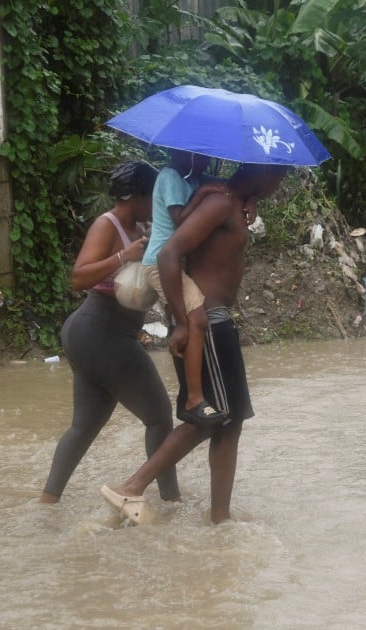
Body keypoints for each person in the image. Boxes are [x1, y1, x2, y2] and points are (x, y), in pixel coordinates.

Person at [100, 162, 290, 525]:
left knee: (226, 422)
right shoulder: (220, 203)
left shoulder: (226, 199)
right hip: (209, 324)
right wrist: (184, 322)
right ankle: (133, 487)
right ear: (263, 173)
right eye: (279, 178)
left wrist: (249, 200)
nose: (279, 186)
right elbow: (169, 254)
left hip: (214, 325)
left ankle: (219, 517)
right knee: (208, 421)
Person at [39, 161, 180, 504]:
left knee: (84, 426)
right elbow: (78, 277)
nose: (156, 202)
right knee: (160, 417)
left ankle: (47, 502)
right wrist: (123, 255)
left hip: (95, 336)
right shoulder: (108, 225)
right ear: (136, 196)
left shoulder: (147, 225)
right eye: (153, 195)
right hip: (101, 330)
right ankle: (170, 502)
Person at [140, 149, 227, 428]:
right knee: (195, 320)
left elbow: (228, 189)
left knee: (194, 322)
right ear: (183, 154)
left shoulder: (196, 179)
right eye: (198, 156)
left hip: (173, 263)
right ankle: (194, 400)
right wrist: (203, 194)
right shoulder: (169, 176)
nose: (204, 161)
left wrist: (250, 201)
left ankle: (189, 397)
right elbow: (180, 221)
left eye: (205, 156)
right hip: (160, 262)